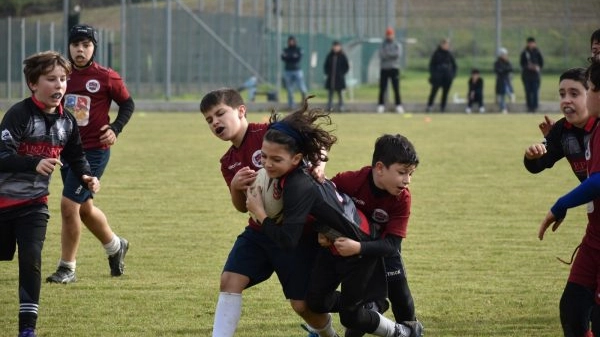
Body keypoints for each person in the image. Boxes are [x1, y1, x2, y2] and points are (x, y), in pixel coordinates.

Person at [245, 103, 423, 337]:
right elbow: (329, 198)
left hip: (365, 248)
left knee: (374, 304)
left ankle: (404, 331)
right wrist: (323, 227)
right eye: (264, 157)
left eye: (275, 159)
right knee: (316, 302)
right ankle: (368, 306)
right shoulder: (324, 176)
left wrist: (260, 213)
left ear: (296, 157)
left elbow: (288, 241)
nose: (267, 165)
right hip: (339, 245)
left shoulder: (298, 184)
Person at [200, 89, 337, 337]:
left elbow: (319, 141)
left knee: (302, 305)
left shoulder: (269, 132)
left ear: (241, 111)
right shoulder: (228, 161)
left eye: (220, 113)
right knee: (230, 280)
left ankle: (330, 334)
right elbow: (242, 207)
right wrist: (235, 187)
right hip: (259, 231)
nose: (215, 122)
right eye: (209, 120)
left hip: (294, 232)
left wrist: (319, 165)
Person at [0, 51, 100, 337]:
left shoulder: (67, 120)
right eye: (51, 79)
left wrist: (87, 175)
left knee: (31, 258)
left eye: (63, 79)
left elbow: (76, 155)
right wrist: (34, 163)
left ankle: (27, 330)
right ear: (33, 83)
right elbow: (2, 154)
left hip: (33, 205)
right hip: (3, 204)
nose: (59, 86)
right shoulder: (19, 115)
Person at [46, 24, 134, 284]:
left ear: (94, 47)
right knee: (83, 209)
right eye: (76, 45)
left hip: (94, 151)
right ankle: (115, 246)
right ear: (69, 48)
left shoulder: (106, 76)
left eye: (86, 45)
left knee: (68, 205)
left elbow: (127, 103)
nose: (80, 50)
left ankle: (67, 268)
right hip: (66, 151)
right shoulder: (60, 76)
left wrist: (115, 128)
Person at [329, 134, 419, 337]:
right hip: (355, 255)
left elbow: (392, 245)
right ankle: (369, 306)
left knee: (400, 296)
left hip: (383, 250)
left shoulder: (402, 198)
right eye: (402, 172)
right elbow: (325, 199)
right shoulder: (350, 181)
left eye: (411, 173)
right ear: (379, 168)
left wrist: (359, 247)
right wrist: (324, 232)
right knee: (354, 318)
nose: (408, 180)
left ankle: (412, 330)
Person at [537, 59, 600, 337]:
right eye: (562, 94)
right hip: (594, 237)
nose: (568, 100)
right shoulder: (585, 131)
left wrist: (560, 205)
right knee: (573, 311)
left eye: (590, 90)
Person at [524, 67, 596, 183]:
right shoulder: (561, 129)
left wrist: (565, 201)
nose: (566, 100)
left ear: (591, 94)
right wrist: (532, 156)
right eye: (562, 95)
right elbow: (538, 165)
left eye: (574, 94)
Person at [377, 27, 404, 114]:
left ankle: (398, 105)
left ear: (393, 35)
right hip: (384, 68)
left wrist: (388, 54)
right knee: (382, 88)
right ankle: (381, 105)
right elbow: (382, 55)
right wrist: (390, 55)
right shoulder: (383, 44)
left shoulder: (397, 44)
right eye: (388, 35)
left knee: (396, 88)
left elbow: (397, 55)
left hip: (394, 68)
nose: (389, 36)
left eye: (391, 34)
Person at [426, 38, 457, 113]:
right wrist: (433, 74)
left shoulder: (449, 54)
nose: (446, 46)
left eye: (447, 45)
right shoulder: (436, 54)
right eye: (445, 44)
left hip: (447, 76)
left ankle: (443, 107)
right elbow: (431, 65)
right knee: (434, 91)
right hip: (438, 76)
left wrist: (452, 75)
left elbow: (454, 66)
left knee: (445, 93)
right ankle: (430, 106)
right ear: (441, 45)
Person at [281, 35, 308, 110]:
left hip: (297, 70)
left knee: (302, 88)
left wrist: (289, 57)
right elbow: (283, 57)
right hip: (288, 71)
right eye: (290, 41)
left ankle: (304, 102)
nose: (291, 42)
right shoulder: (286, 49)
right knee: (290, 90)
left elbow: (298, 58)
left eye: (292, 41)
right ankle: (291, 106)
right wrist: (292, 56)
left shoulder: (298, 49)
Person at [324, 41, 350, 112]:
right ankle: (329, 106)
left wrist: (342, 73)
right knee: (330, 93)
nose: (336, 48)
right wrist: (328, 73)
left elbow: (346, 67)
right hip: (331, 78)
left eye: (337, 46)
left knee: (340, 93)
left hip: (339, 78)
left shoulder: (342, 56)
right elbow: (326, 66)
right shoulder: (330, 56)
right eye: (334, 46)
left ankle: (341, 106)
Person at [520, 37, 544, 113]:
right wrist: (528, 67)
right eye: (529, 43)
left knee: (535, 91)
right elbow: (522, 63)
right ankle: (529, 107)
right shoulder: (524, 52)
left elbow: (541, 63)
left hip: (535, 76)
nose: (531, 44)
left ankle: (534, 107)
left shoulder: (537, 52)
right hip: (526, 76)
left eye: (532, 43)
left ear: (535, 43)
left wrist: (536, 67)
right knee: (528, 91)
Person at [494, 48, 514, 114]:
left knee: (507, 90)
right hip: (500, 81)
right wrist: (505, 70)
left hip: (507, 80)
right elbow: (498, 71)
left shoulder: (508, 62)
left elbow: (510, 69)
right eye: (503, 54)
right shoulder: (497, 63)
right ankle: (503, 108)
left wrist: (504, 70)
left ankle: (511, 95)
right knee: (502, 95)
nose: (505, 56)